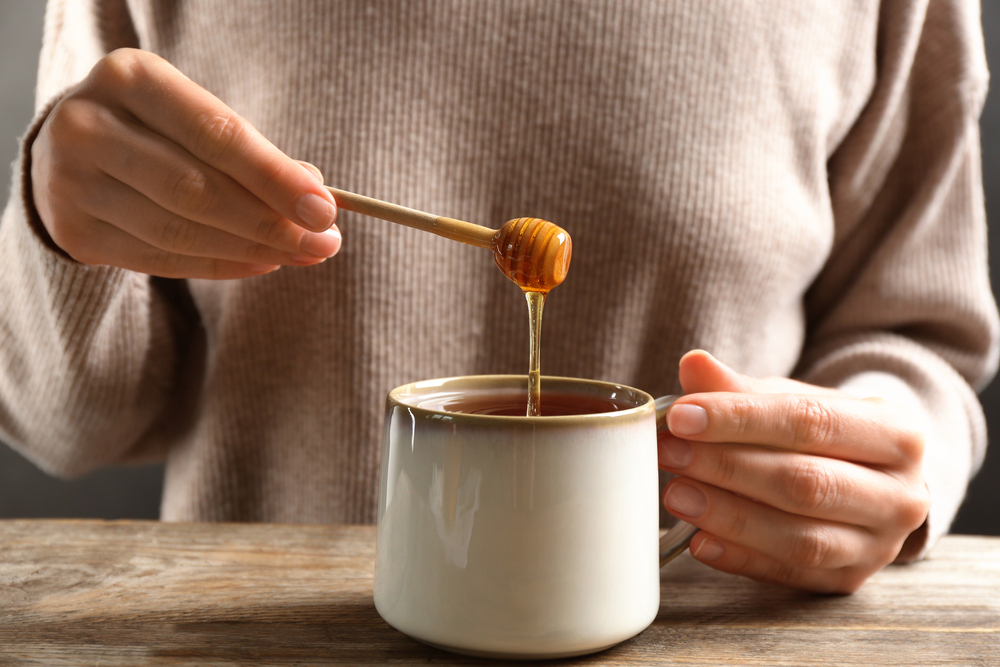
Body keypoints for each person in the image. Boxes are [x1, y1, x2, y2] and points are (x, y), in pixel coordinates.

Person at [0, 0, 995, 595]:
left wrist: (885, 451)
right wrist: (62, 227)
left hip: (702, 631)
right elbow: (66, 431)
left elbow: (915, 337)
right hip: (253, 638)